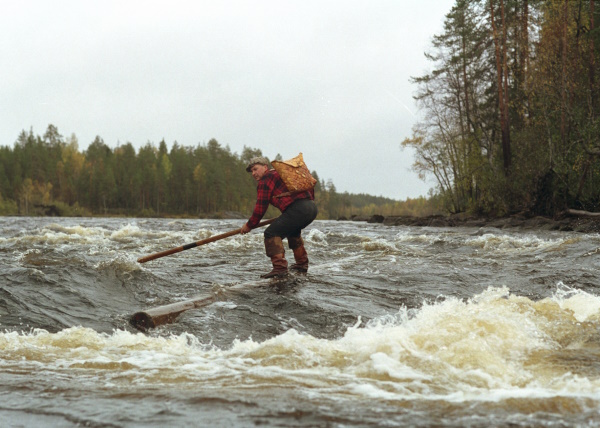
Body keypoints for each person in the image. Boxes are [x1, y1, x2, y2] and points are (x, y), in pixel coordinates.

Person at [241, 156, 318, 278]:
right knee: (293, 232)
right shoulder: (278, 174)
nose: (254, 173)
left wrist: (249, 225)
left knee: (271, 233)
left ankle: (280, 268)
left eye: (255, 169)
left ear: (265, 167)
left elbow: (260, 208)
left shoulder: (266, 179)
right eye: (252, 171)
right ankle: (301, 264)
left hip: (299, 209)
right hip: (312, 207)